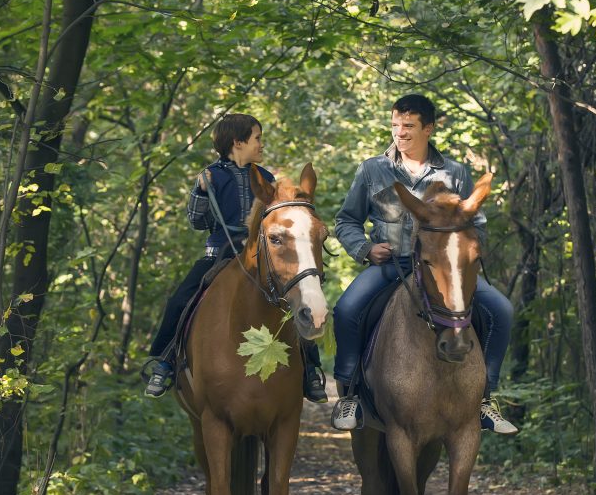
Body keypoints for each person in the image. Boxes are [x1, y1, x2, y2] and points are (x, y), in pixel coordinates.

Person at [330, 94, 517, 434]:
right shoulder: (373, 169)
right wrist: (366, 249)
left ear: (428, 129)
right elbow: (346, 221)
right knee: (346, 309)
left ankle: (486, 397)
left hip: (444, 270)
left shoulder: (455, 172)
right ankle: (350, 392)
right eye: (395, 125)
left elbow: (479, 224)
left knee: (500, 310)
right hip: (392, 264)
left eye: (408, 127)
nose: (399, 134)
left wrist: (460, 252)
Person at [144, 113, 327, 402]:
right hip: (219, 255)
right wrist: (200, 191)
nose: (261, 144)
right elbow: (196, 221)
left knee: (292, 298)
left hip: (258, 256)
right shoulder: (211, 176)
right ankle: (164, 362)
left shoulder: (266, 178)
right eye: (257, 138)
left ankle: (309, 369)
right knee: (181, 299)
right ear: (238, 142)